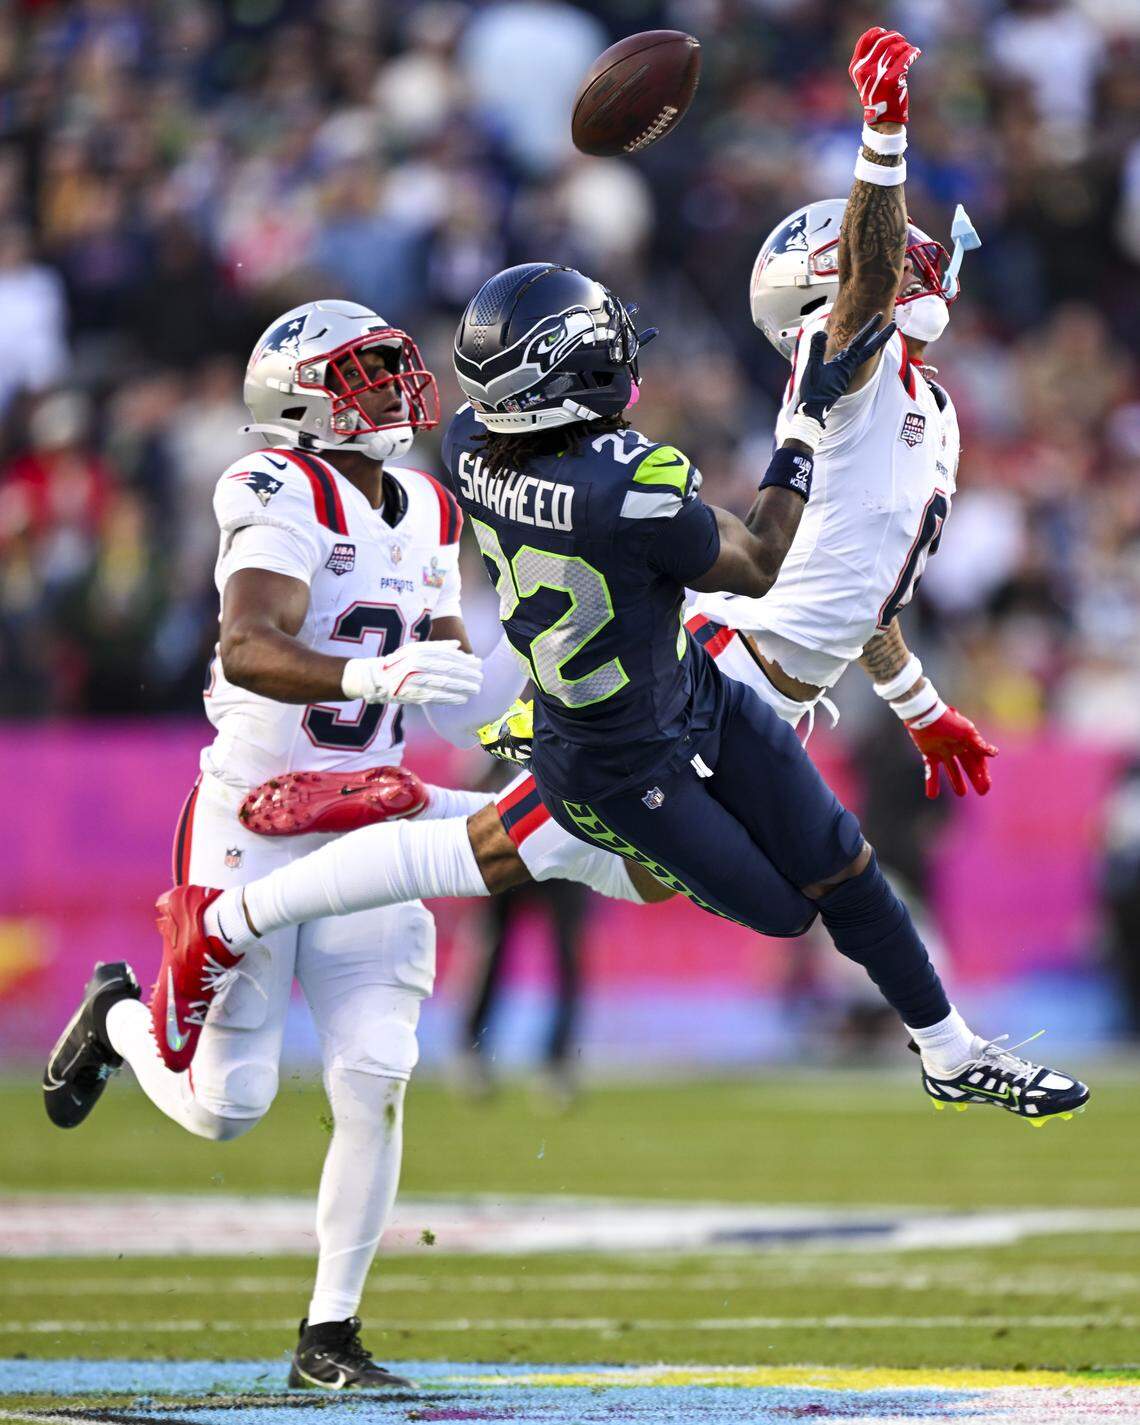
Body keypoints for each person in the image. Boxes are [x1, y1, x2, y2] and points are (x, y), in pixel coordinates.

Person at [40, 298, 660, 1393]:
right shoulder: (275, 487)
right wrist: (370, 676)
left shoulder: (427, 507)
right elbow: (245, 645)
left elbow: (443, 650)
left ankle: (329, 1334)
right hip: (256, 814)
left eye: (392, 369)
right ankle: (121, 1017)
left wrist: (476, 693)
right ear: (304, 400)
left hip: (369, 805)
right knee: (228, 1107)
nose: (395, 391)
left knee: (376, 1069)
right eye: (366, 375)